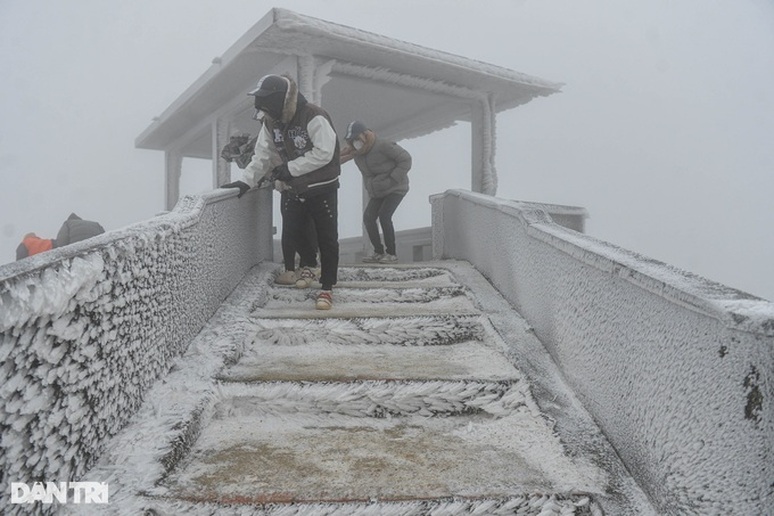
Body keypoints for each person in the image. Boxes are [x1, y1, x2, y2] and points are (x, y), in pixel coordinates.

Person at [221, 74, 341, 310]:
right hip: (294, 186)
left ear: (280, 100)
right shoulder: (271, 122)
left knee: (327, 238)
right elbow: (262, 155)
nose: (263, 110)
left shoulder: (313, 116)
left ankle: (327, 287)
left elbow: (325, 152)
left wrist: (291, 168)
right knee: (294, 231)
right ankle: (304, 267)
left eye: (266, 104)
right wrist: (246, 181)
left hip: (321, 186)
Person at [221, 132, 319, 287]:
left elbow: (264, 163)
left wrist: (252, 181)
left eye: (233, 158)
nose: (235, 162)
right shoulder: (260, 142)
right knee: (298, 227)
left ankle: (301, 267)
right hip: (290, 185)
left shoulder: (260, 145)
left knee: (296, 228)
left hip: (294, 185)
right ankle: (303, 266)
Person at [341, 121, 411, 263]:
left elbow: (405, 159)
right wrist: (370, 187)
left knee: (384, 216)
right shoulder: (358, 154)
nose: (355, 142)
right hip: (378, 191)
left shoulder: (383, 145)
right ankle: (378, 252)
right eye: (352, 140)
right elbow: (365, 173)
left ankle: (391, 253)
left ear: (365, 135)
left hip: (396, 187)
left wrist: (393, 179)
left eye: (357, 138)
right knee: (368, 217)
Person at [16, 213, 105, 260]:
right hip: (94, 250)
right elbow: (104, 236)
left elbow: (62, 241)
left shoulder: (25, 243)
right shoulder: (95, 224)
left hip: (55, 251)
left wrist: (63, 253)